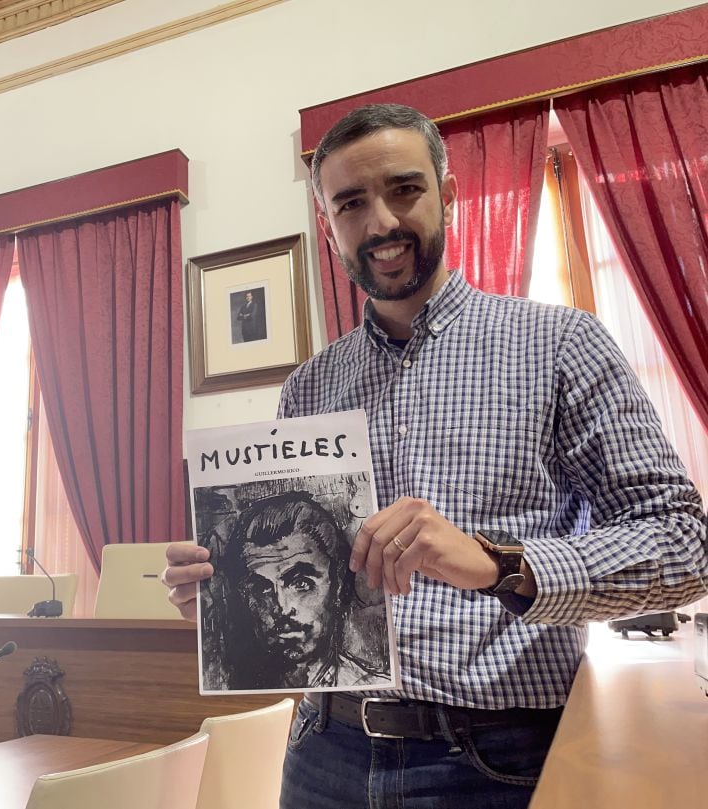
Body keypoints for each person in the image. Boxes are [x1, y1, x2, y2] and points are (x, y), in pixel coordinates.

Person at [164, 103, 708, 808]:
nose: (382, 222)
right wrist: (216, 593)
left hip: (495, 760)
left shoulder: (561, 345)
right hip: (321, 751)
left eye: (405, 189)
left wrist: (498, 564)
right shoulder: (309, 386)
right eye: (351, 203)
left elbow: (684, 543)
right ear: (329, 230)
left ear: (448, 195)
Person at [211, 491, 380, 690]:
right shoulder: (230, 687)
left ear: (338, 583)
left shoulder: (369, 684)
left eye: (301, 584)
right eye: (262, 589)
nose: (283, 607)